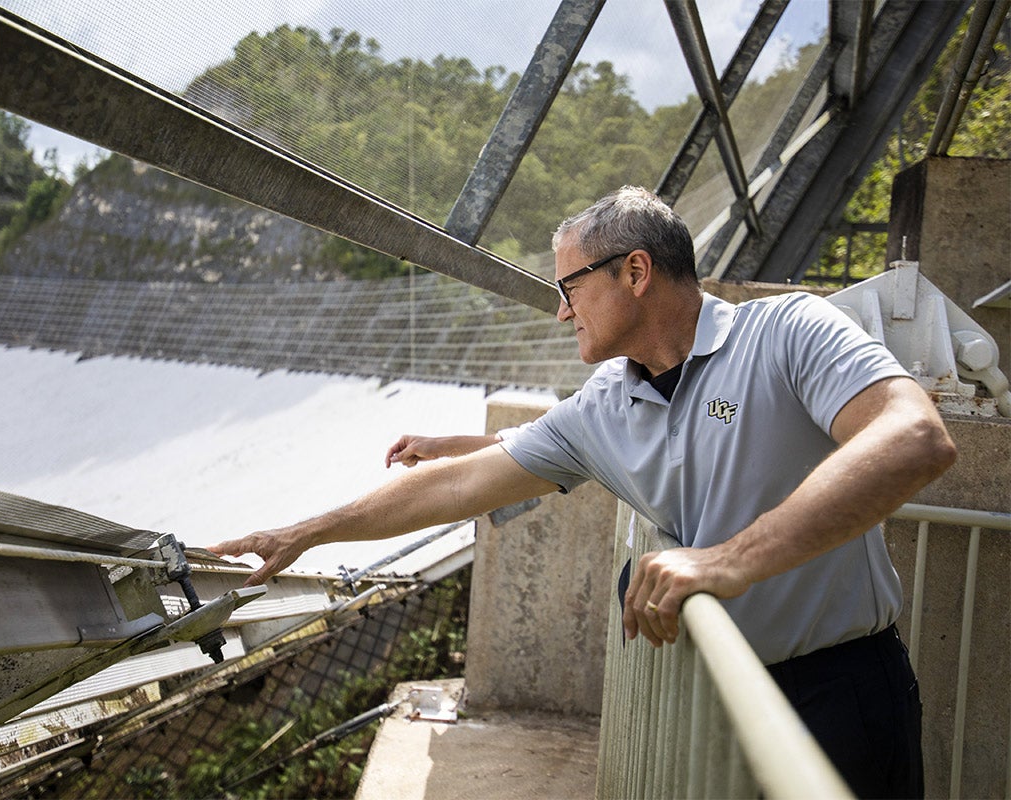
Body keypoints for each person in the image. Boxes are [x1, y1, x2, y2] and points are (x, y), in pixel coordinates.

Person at [210, 186, 956, 797]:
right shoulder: (603, 406)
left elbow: (915, 437)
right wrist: (305, 532)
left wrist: (728, 560)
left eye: (570, 288)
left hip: (846, 692)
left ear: (635, 272)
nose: (562, 311)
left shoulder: (788, 331)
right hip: (725, 701)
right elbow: (461, 483)